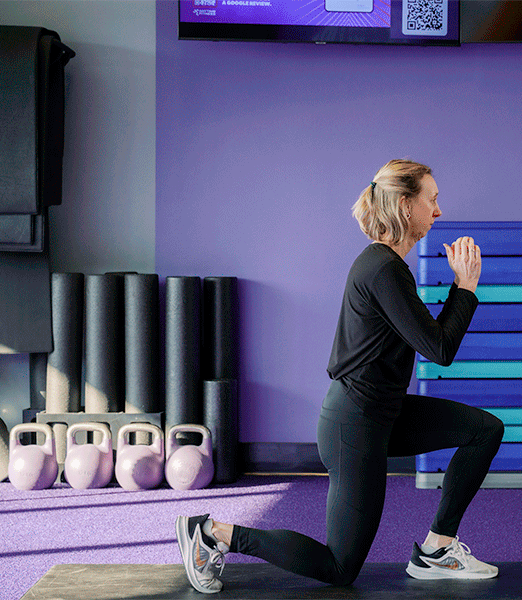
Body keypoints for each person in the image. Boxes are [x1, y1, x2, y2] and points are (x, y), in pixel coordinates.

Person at [176, 159, 504, 593]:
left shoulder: (388, 267)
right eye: (433, 200)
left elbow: (432, 338)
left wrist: (460, 291)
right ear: (406, 205)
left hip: (380, 413)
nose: (438, 211)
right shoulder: (384, 269)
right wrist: (465, 288)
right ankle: (213, 533)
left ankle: (437, 548)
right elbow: (439, 349)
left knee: (484, 430)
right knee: (339, 567)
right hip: (356, 424)